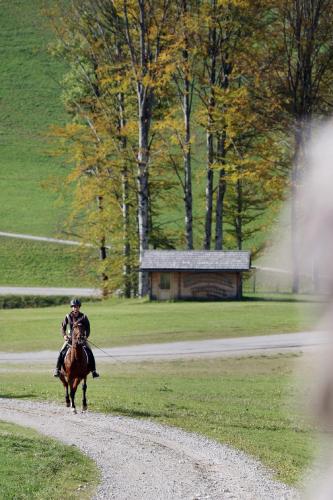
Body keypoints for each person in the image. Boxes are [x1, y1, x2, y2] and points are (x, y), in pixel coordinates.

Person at [53, 298, 100, 378]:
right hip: (70, 340)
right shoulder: (68, 316)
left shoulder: (84, 317)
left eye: (77, 306)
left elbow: (88, 328)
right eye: (74, 306)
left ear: (79, 307)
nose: (75, 308)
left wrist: (86, 336)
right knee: (61, 351)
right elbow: (62, 327)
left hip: (81, 339)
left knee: (90, 352)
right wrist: (64, 335)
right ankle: (57, 369)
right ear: (72, 307)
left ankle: (94, 371)